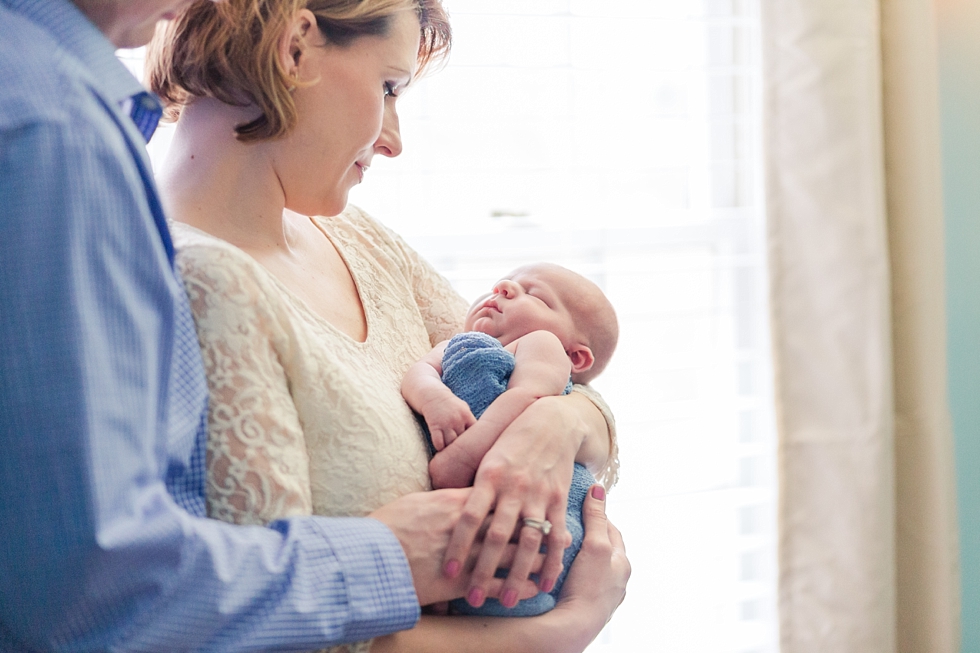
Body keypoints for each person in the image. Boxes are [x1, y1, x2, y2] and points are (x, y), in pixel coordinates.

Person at [0, 0, 611, 651]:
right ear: (295, 49)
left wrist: (553, 422)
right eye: (389, 87)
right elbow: (270, 630)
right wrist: (555, 631)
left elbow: (566, 373)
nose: (395, 140)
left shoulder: (355, 236)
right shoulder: (206, 279)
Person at [403, 262, 620, 616]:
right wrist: (433, 399)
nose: (503, 287)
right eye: (502, 284)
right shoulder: (456, 344)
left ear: (575, 356)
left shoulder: (543, 345)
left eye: (536, 295)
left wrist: (463, 456)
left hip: (528, 503)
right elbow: (420, 372)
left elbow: (526, 399)